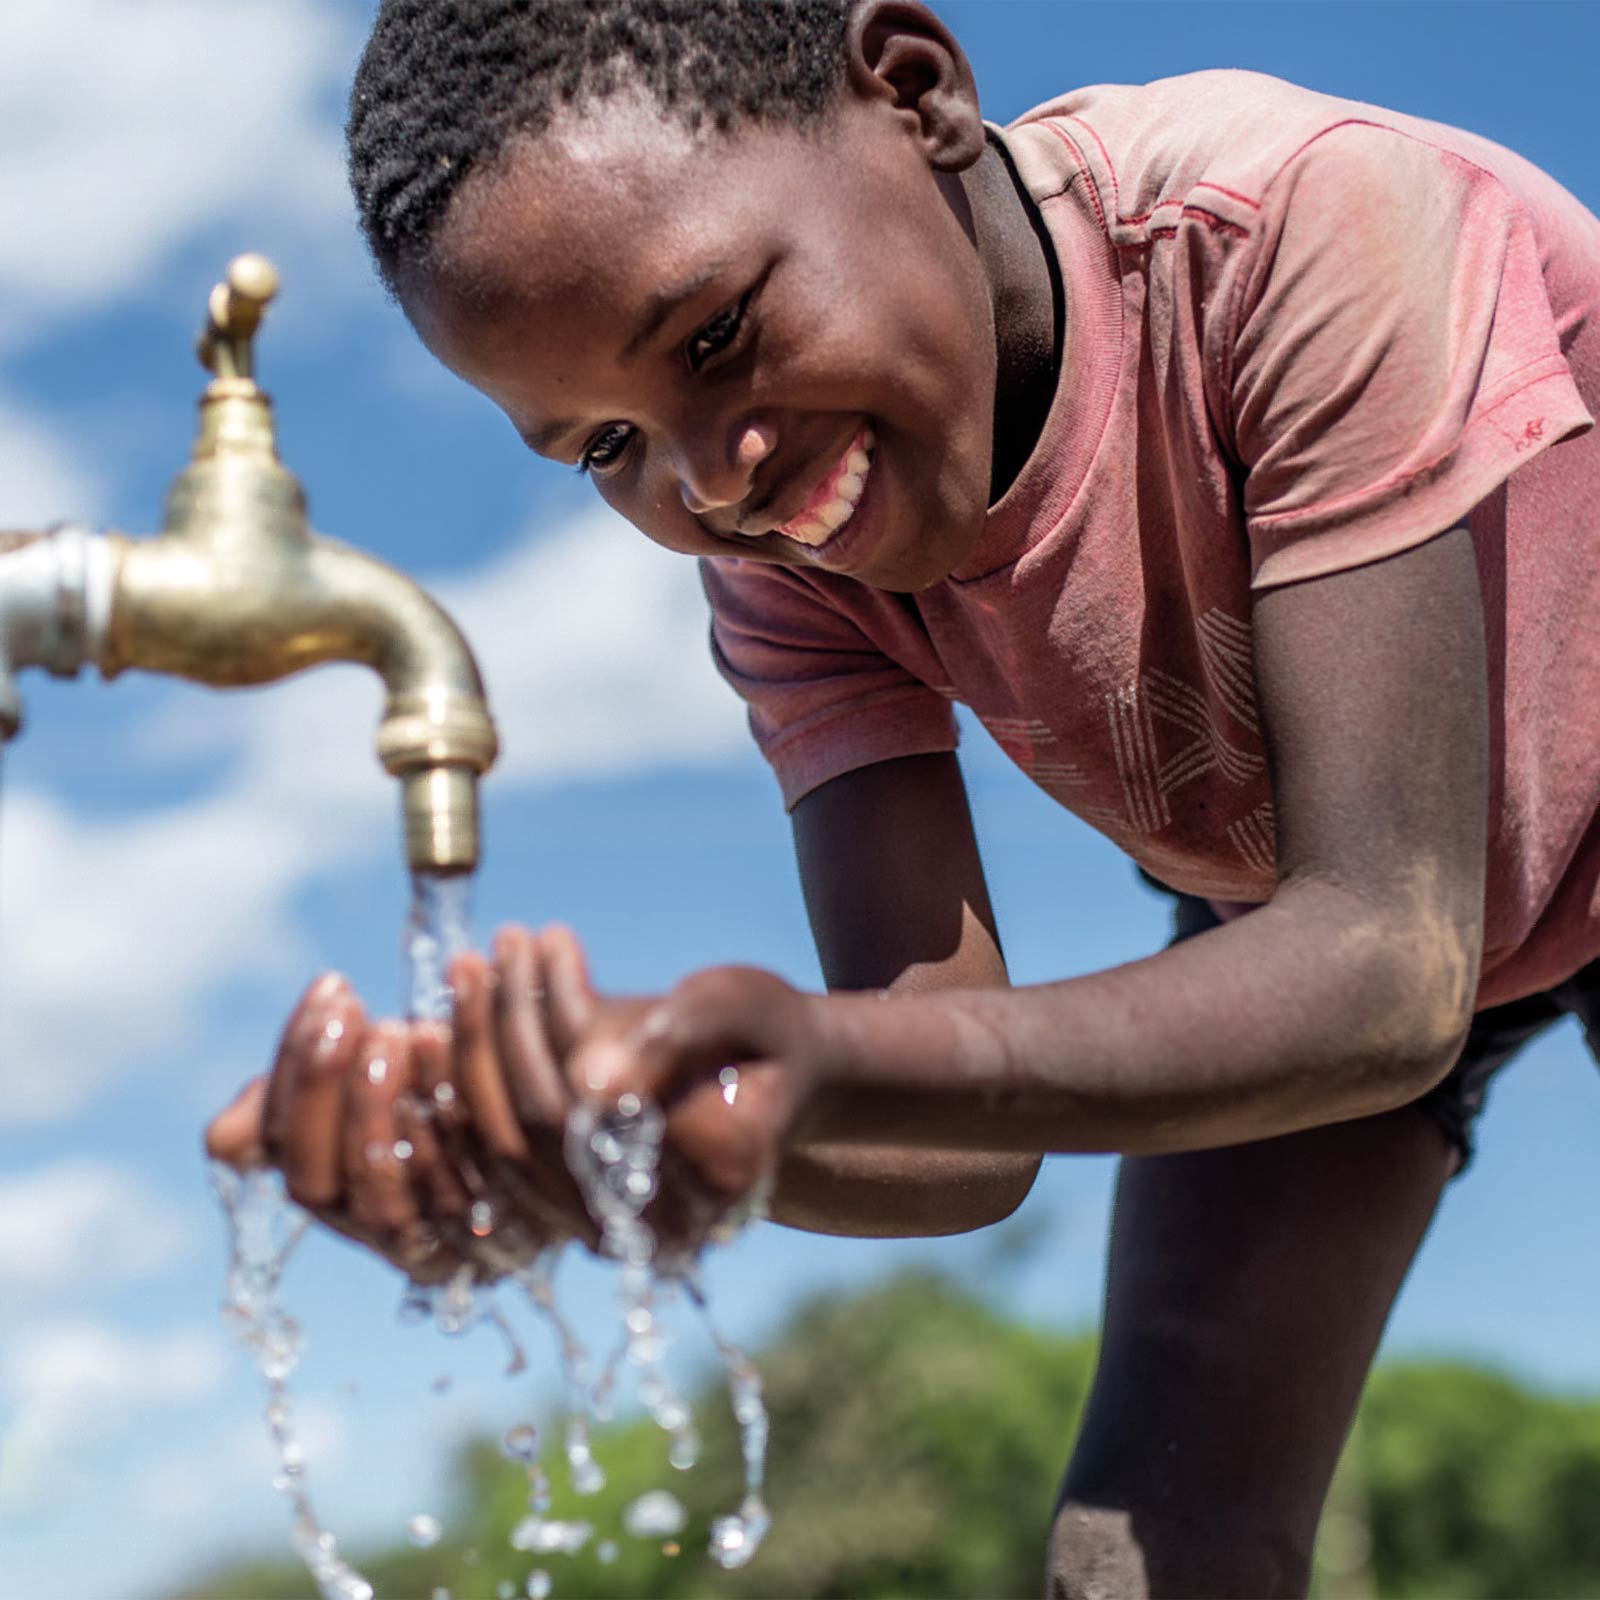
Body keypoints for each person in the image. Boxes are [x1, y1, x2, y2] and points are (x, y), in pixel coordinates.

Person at [206, 1, 1600, 1593]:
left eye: (718, 334)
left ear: (916, 91)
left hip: (1398, 897)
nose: (712, 481)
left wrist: (813, 1055)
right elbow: (949, 1141)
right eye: (606, 445)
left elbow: (1388, 971)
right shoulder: (792, 561)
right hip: (1295, 920)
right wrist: (618, 1143)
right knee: (1133, 1559)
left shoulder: (1288, 229)